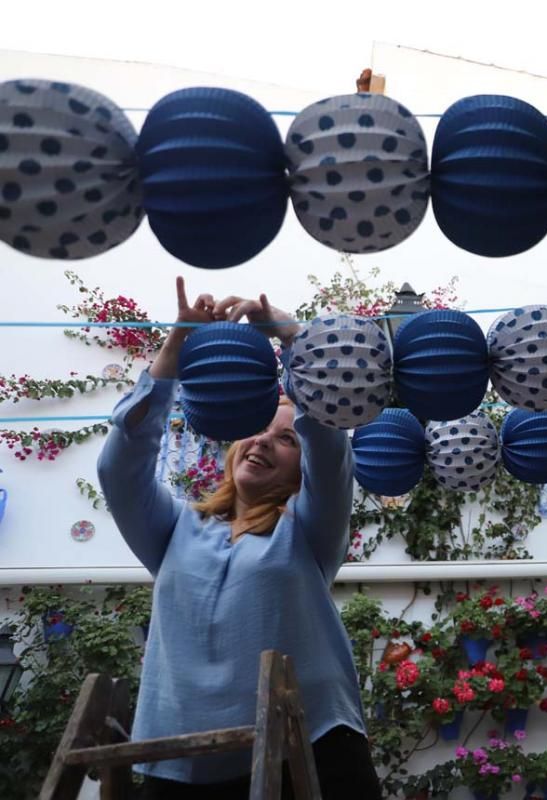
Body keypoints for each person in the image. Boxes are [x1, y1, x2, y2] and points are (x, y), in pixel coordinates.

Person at [97, 278, 381, 799]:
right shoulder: (174, 529)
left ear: (302, 465)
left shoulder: (309, 531)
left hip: (310, 747)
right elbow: (120, 467)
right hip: (182, 758)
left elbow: (330, 443)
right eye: (259, 429)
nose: (263, 442)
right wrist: (176, 346)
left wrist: (290, 336)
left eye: (286, 440)